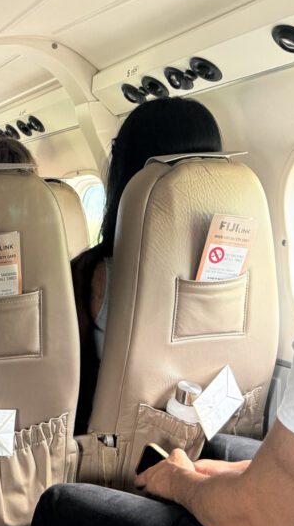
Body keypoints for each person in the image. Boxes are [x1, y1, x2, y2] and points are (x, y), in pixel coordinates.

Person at [20, 20, 294, 526]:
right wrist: (212, 478)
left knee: (62, 510)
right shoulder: (275, 268)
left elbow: (271, 523)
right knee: (225, 445)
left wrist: (181, 483)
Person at [72, 97, 222, 433]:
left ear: (126, 174)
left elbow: (67, 390)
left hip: (119, 460)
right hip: (221, 437)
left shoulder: (93, 275)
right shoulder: (245, 268)